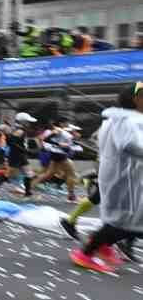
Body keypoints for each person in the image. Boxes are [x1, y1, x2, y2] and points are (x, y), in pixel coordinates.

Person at [68, 82, 143, 273]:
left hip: (121, 176)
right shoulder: (128, 120)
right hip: (126, 178)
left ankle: (100, 244)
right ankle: (86, 252)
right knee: (127, 224)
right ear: (135, 99)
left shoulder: (115, 119)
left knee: (125, 222)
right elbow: (129, 144)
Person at [0, 113, 37, 198]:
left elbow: (12, 141)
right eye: (27, 122)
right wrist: (26, 150)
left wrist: (25, 151)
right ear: (23, 122)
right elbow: (12, 143)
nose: (29, 123)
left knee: (29, 173)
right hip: (16, 155)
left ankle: (28, 192)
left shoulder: (20, 130)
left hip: (21, 155)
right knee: (9, 174)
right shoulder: (19, 131)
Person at [33, 118, 79, 202]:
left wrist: (67, 144)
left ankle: (30, 188)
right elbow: (46, 139)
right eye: (66, 123)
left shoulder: (60, 130)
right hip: (59, 154)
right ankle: (71, 196)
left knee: (48, 174)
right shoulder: (57, 130)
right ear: (61, 123)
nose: (68, 125)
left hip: (58, 154)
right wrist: (59, 144)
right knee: (71, 174)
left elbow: (65, 140)